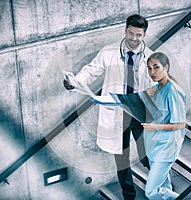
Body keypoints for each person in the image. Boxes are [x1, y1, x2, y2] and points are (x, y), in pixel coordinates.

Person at [63, 14, 153, 200]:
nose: (134, 38)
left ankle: (158, 186)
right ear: (125, 30)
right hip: (116, 113)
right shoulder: (109, 52)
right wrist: (76, 82)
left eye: (138, 35)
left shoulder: (150, 57)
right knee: (122, 160)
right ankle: (129, 196)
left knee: (149, 155)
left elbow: (158, 85)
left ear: (144, 35)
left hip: (138, 113)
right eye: (131, 33)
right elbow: (91, 69)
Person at [141, 52, 187, 200]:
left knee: (152, 191)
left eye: (156, 67)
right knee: (164, 186)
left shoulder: (173, 91)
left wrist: (155, 127)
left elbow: (180, 123)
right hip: (153, 146)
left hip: (166, 147)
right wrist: (145, 95)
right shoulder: (155, 88)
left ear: (166, 67)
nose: (152, 72)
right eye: (149, 68)